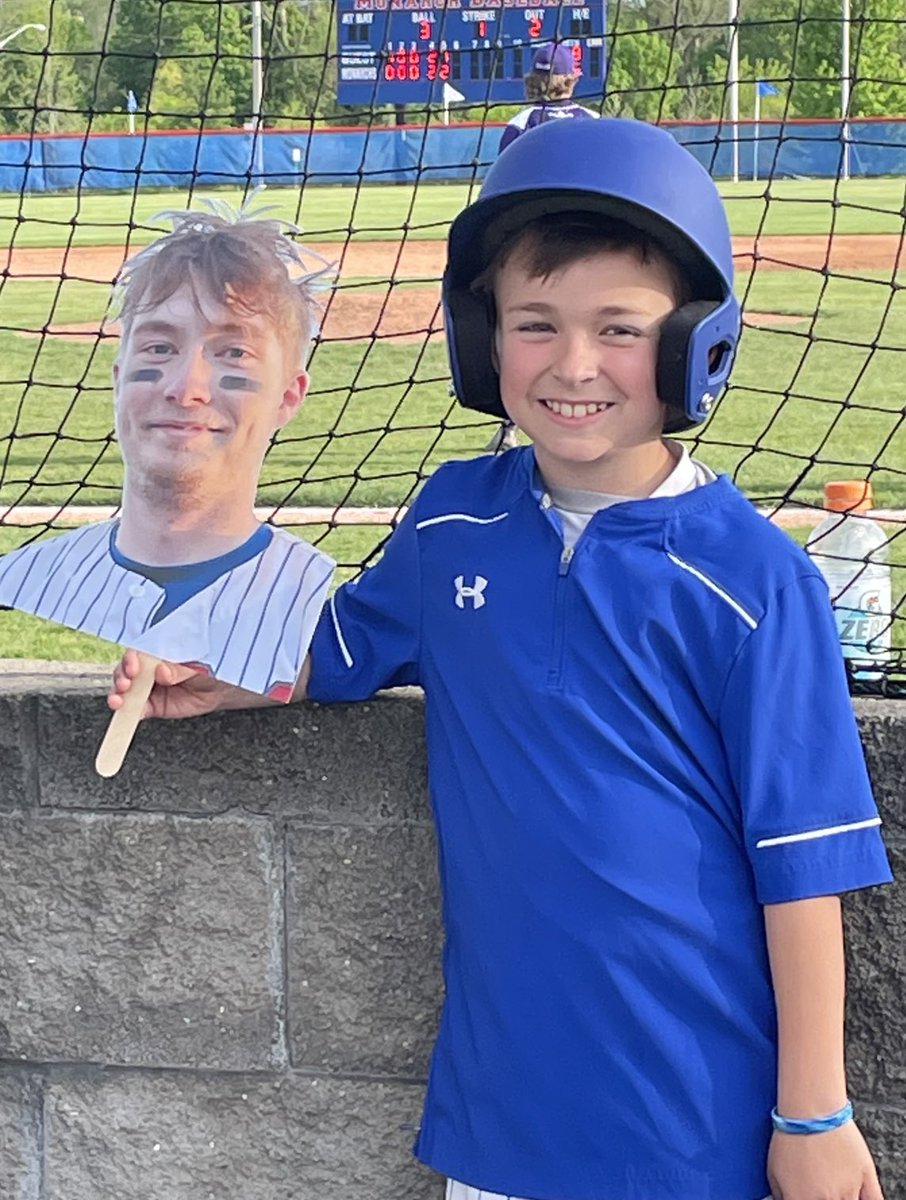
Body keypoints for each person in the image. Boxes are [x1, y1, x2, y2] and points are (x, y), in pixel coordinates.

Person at [110, 118, 892, 1200]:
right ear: (482, 340)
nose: (574, 366)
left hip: (695, 1124)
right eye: (535, 324)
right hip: (502, 1120)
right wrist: (197, 668)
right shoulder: (452, 525)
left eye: (621, 329)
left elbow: (805, 868)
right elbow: (331, 651)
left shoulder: (755, 581)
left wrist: (813, 1114)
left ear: (692, 344)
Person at [0, 207, 334, 699]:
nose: (186, 388)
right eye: (159, 348)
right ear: (118, 379)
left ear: (288, 395)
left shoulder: (312, 606)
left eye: (234, 352)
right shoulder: (25, 581)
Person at [488, 42, 599, 454]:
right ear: (573, 78)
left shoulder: (520, 123)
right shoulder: (593, 121)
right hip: (588, 246)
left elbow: (502, 192)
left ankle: (510, 426)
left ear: (533, 78)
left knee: (525, 332)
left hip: (531, 252)